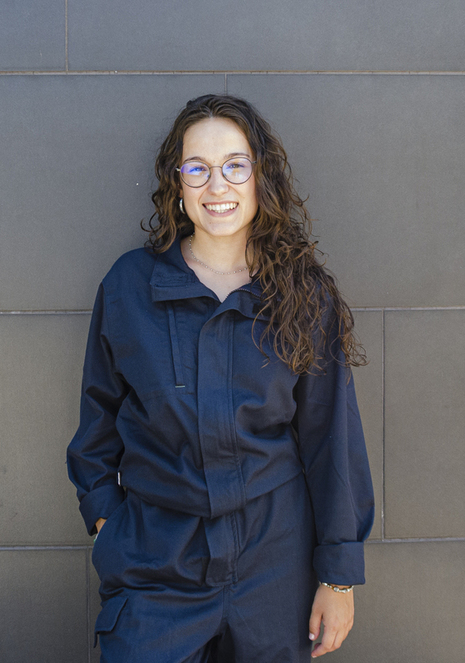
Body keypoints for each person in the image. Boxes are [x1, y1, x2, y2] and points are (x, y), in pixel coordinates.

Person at [66, 94, 374, 662]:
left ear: (261, 177)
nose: (218, 186)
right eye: (197, 169)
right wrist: (107, 520)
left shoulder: (304, 294)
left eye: (236, 165)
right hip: (157, 561)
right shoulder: (130, 286)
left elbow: (332, 440)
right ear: (177, 184)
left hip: (273, 567)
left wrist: (338, 576)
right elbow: (97, 420)